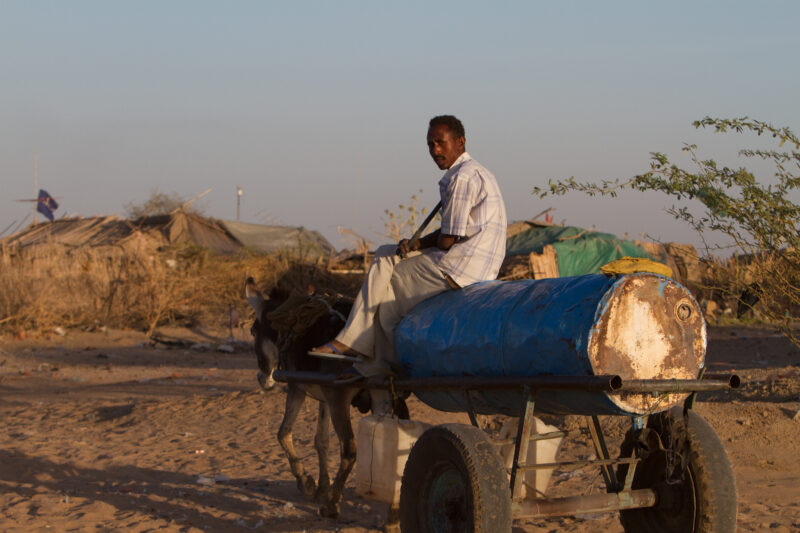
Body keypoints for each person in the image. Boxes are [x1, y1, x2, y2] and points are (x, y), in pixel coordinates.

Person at [311, 115, 507, 384]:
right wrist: (416, 244)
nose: (435, 151)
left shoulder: (462, 177)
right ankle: (369, 354)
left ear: (460, 142)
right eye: (430, 145)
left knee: (385, 290)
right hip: (477, 265)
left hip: (461, 267)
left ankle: (363, 350)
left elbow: (449, 238)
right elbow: (454, 232)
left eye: (440, 143)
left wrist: (420, 243)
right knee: (384, 255)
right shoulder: (479, 172)